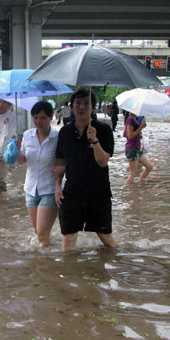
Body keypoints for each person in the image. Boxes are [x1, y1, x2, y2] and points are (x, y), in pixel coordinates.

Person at [55, 87, 117, 252]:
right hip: (72, 191)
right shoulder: (65, 132)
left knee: (105, 237)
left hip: (98, 192)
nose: (81, 107)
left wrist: (95, 141)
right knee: (69, 236)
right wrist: (56, 186)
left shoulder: (103, 130)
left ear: (93, 108)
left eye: (86, 104)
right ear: (72, 106)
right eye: (78, 103)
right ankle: (70, 274)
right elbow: (60, 163)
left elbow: (103, 162)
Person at [17, 101, 59, 247]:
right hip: (30, 189)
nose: (38, 121)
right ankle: (48, 252)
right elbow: (22, 161)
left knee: (41, 233)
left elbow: (63, 163)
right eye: (35, 117)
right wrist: (17, 151)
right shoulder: (28, 135)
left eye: (42, 118)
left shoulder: (58, 137)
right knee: (38, 232)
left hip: (49, 189)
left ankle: (42, 265)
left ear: (51, 117)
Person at [124, 112, 152, 183]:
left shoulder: (132, 119)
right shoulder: (130, 120)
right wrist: (141, 127)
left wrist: (138, 135)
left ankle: (140, 182)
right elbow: (130, 136)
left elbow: (125, 134)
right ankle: (131, 191)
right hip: (132, 149)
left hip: (136, 148)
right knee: (132, 173)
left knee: (149, 167)